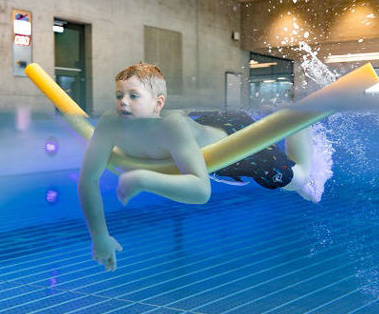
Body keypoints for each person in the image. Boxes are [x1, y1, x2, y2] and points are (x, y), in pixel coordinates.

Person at [78, 63, 331, 271]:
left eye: (134, 96)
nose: (123, 102)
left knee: (299, 180)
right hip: (207, 124)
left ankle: (301, 114)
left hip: (236, 146)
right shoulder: (110, 123)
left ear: (158, 103)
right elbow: (88, 180)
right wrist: (99, 236)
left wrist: (144, 179)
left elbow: (201, 191)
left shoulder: (170, 126)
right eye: (119, 95)